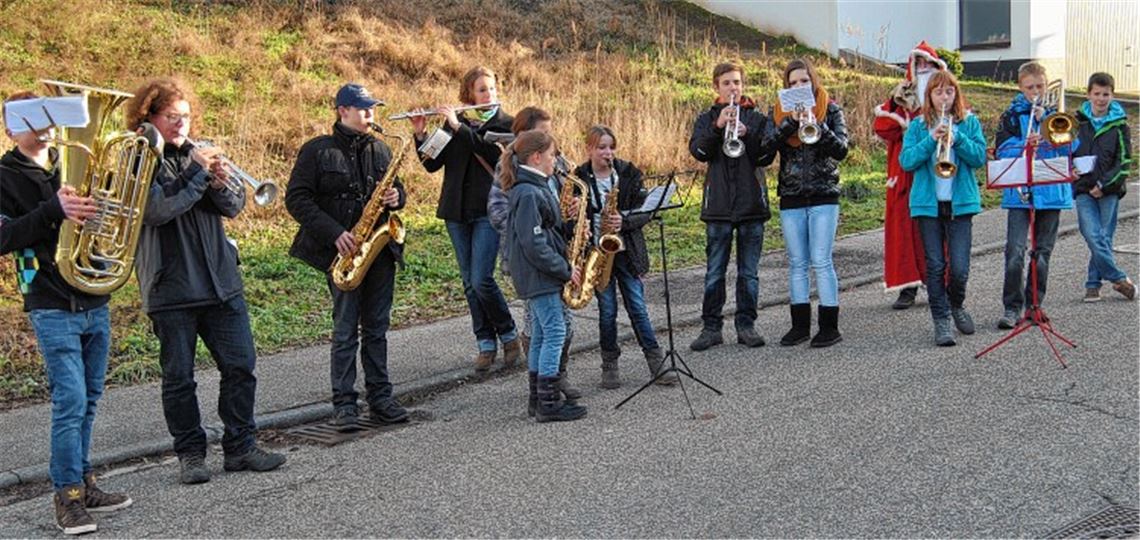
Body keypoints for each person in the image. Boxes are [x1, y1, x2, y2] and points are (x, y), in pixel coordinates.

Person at [126, 78, 285, 485]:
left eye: (185, 116)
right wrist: (198, 175)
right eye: (171, 117)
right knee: (179, 378)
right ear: (149, 118)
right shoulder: (137, 159)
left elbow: (232, 207)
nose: (181, 124)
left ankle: (241, 446)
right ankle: (191, 455)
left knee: (241, 366)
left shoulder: (201, 150)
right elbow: (159, 209)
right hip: (170, 285)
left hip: (220, 281)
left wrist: (219, 180)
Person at [1, 92, 132, 535]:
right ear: (11, 128)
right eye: (31, 119)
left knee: (90, 399)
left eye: (50, 116)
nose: (45, 125)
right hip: (48, 298)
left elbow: (104, 220)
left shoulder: (76, 162)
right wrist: (53, 209)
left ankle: (84, 480)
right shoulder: (3, 176)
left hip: (93, 294)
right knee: (70, 400)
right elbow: (5, 237)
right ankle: (67, 497)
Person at [285, 83, 410, 432]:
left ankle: (381, 398)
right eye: (364, 109)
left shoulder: (382, 149)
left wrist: (397, 197)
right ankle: (344, 404)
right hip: (343, 251)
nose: (371, 115)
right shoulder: (316, 151)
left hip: (379, 250)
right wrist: (335, 233)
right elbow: (296, 199)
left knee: (377, 329)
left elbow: (401, 191)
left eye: (373, 109)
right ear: (343, 110)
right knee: (345, 330)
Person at [407, 66, 521, 371]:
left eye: (492, 89)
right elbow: (431, 163)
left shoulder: (507, 124)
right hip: (456, 211)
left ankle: (509, 334)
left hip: (488, 211)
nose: (488, 95)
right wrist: (420, 133)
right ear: (468, 94)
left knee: (481, 279)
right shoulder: (452, 125)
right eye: (481, 90)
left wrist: (459, 127)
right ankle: (485, 342)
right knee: (468, 283)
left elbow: (496, 155)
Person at [487, 106, 583, 404]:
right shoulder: (528, 191)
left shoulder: (532, 186)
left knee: (542, 334)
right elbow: (534, 242)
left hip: (540, 271)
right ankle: (548, 402)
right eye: (552, 154)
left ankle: (537, 399)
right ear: (537, 157)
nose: (557, 159)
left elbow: (543, 232)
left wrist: (568, 225)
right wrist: (565, 269)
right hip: (540, 273)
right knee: (554, 332)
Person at [574, 125, 678, 387]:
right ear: (589, 149)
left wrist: (625, 220)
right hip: (597, 254)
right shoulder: (579, 177)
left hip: (627, 251)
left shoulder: (628, 173)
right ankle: (609, 364)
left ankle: (656, 362)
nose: (607, 153)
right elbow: (571, 218)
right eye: (601, 147)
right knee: (607, 312)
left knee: (638, 308)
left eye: (611, 147)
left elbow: (646, 211)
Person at [688, 61, 776, 351]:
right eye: (726, 83)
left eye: (736, 82)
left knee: (748, 272)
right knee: (715, 272)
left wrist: (747, 133)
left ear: (743, 85)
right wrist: (718, 127)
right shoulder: (707, 118)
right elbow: (699, 152)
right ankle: (711, 327)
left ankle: (746, 325)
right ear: (717, 87)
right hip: (718, 206)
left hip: (751, 204)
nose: (733, 88)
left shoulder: (757, 119)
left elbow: (765, 157)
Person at [899, 71, 987, 347]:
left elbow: (979, 158)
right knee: (935, 265)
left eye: (949, 91)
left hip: (960, 204)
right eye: (939, 92)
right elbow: (907, 161)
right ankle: (941, 320)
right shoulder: (917, 126)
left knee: (959, 267)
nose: (944, 97)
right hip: (928, 205)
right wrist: (930, 139)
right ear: (930, 96)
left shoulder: (969, 123)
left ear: (956, 94)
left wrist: (957, 138)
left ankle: (957, 304)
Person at [767, 58, 848, 347]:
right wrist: (789, 124)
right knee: (797, 263)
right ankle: (799, 326)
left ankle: (829, 327)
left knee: (821, 260)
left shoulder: (831, 109)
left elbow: (841, 150)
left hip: (824, 193)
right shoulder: (778, 113)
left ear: (813, 82)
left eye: (804, 81)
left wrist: (818, 126)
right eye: (792, 83)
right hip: (791, 195)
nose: (799, 86)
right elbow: (765, 151)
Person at [993, 61, 1075, 329]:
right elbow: (1002, 151)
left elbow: (1072, 147)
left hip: (1051, 191)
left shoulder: (1056, 115)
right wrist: (1023, 143)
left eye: (1040, 86)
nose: (1036, 91)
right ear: (1021, 88)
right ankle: (1011, 307)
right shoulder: (1011, 117)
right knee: (1015, 251)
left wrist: (1046, 125)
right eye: (1030, 87)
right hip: (1020, 192)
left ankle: (1034, 304)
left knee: (1042, 252)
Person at [874, 41, 947, 309]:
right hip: (905, 174)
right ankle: (907, 286)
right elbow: (882, 128)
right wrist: (896, 104)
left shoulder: (947, 95)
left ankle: (938, 282)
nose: (924, 69)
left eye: (928, 64)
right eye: (919, 64)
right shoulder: (902, 95)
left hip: (937, 171)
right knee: (904, 231)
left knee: (937, 230)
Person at [1072, 72, 1135, 302]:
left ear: (1112, 95)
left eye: (1105, 94)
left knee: (1103, 237)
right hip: (1083, 189)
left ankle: (1092, 284)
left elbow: (1124, 161)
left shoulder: (1120, 126)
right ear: (1088, 94)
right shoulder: (1078, 123)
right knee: (1091, 234)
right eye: (1096, 94)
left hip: (1109, 190)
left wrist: (1104, 185)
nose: (1100, 99)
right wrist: (1071, 170)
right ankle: (1118, 278)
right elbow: (1067, 152)